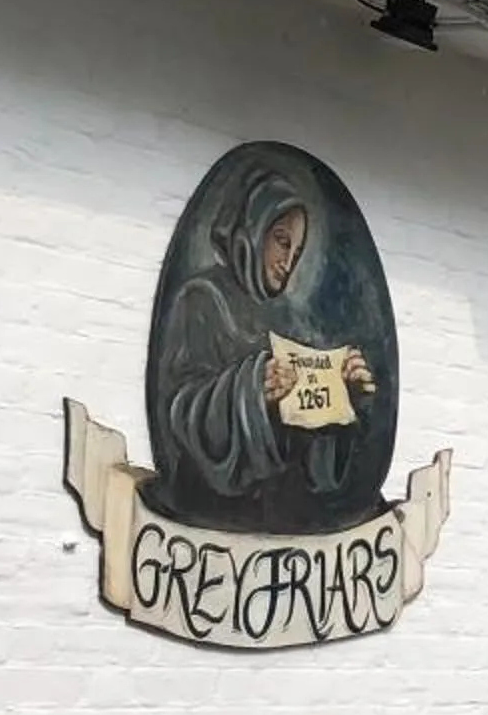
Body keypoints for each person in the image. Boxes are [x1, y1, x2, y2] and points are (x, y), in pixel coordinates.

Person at [144, 146, 391, 535]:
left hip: (288, 512)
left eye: (297, 250)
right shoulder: (203, 300)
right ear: (252, 230)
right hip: (212, 515)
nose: (288, 261)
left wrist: (344, 401)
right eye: (281, 240)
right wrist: (251, 389)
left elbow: (312, 449)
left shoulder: (293, 322)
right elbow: (178, 409)